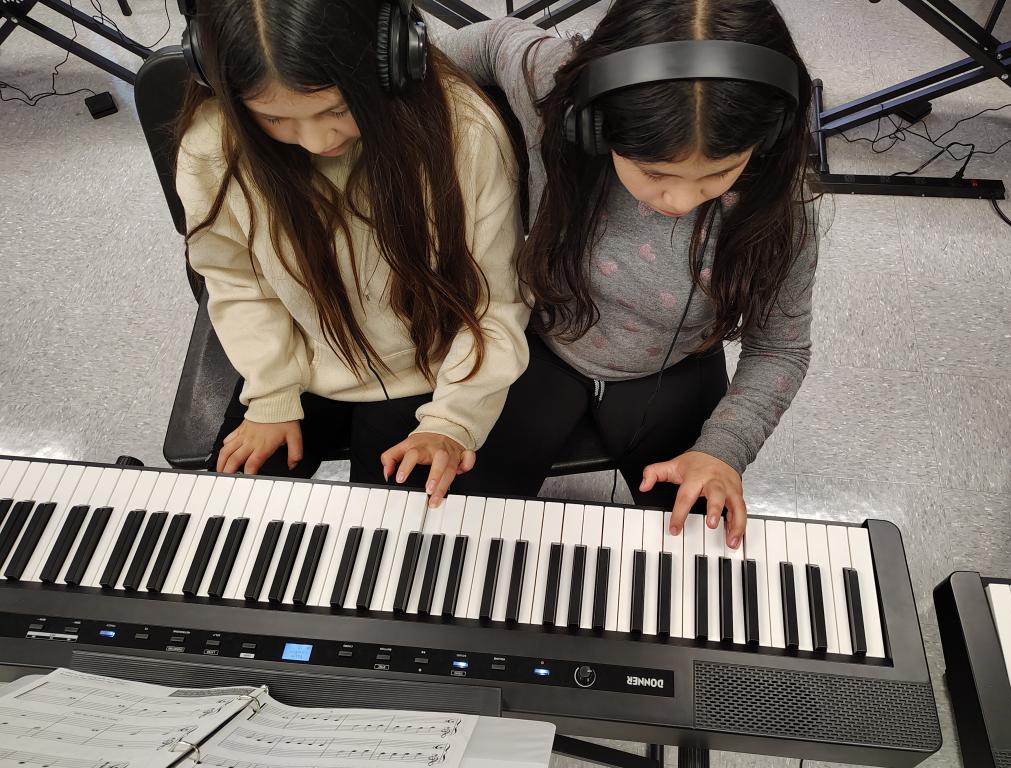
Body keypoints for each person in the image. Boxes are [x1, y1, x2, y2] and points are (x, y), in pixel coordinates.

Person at [442, 0, 818, 545]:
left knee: (696, 537)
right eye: (654, 173)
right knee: (460, 523)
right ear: (593, 124)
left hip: (677, 365)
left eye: (719, 173)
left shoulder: (785, 205)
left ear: (772, 135)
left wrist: (723, 450)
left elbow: (780, 348)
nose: (681, 200)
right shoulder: (555, 90)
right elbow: (496, 40)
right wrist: (388, 76)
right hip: (538, 344)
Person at [175, 0, 528, 507]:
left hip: (434, 367)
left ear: (392, 58)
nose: (316, 140)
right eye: (274, 117)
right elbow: (238, 282)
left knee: (398, 531)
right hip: (299, 360)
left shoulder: (465, 131)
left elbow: (494, 302)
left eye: (338, 109)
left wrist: (452, 421)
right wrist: (271, 393)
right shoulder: (214, 145)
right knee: (230, 513)